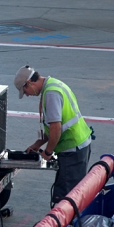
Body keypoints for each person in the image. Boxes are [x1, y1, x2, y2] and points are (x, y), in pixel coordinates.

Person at [14, 65, 92, 206]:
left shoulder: (51, 94)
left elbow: (56, 128)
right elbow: (52, 127)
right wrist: (37, 145)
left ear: (29, 83)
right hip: (79, 143)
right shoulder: (53, 84)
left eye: (24, 91)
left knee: (66, 199)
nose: (26, 95)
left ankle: (68, 221)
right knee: (73, 194)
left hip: (72, 147)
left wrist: (48, 152)